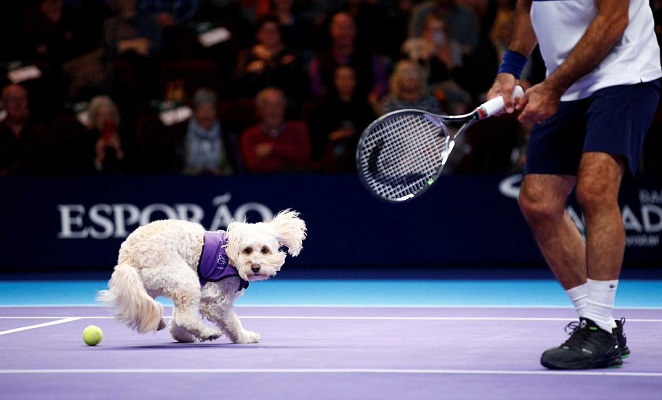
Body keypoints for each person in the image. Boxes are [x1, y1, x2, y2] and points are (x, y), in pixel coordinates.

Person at [488, 0, 662, 370]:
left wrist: (551, 88)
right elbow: (525, 8)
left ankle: (597, 327)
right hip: (565, 79)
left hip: (624, 74)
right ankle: (603, 327)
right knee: (539, 201)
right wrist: (510, 70)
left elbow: (613, 20)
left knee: (595, 187)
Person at [306, 64, 375, 173]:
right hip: (328, 155)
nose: (345, 82)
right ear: (334, 81)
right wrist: (334, 136)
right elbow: (315, 134)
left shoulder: (364, 105)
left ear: (355, 81)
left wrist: (352, 135)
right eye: (342, 78)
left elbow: (372, 133)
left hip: (358, 154)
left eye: (349, 78)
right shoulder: (321, 106)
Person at [240, 87, 311, 173]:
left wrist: (272, 149)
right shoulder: (249, 135)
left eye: (278, 104)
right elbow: (254, 165)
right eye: (268, 105)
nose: (274, 110)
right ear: (259, 110)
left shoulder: (299, 129)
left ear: (284, 108)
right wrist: (290, 160)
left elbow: (304, 156)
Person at [172, 88, 240, 175]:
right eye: (201, 109)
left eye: (210, 109)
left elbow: (234, 168)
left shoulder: (227, 135)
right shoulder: (180, 134)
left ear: (216, 112)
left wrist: (221, 174)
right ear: (194, 112)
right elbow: (174, 168)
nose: (206, 114)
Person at [0, 83, 51, 175]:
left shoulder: (42, 134)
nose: (17, 103)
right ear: (3, 104)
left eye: (21, 99)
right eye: (12, 99)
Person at [85, 95, 127, 173]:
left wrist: (119, 152)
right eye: (101, 115)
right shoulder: (87, 139)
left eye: (110, 115)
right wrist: (98, 160)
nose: (106, 119)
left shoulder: (124, 136)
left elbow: (135, 170)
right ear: (94, 118)